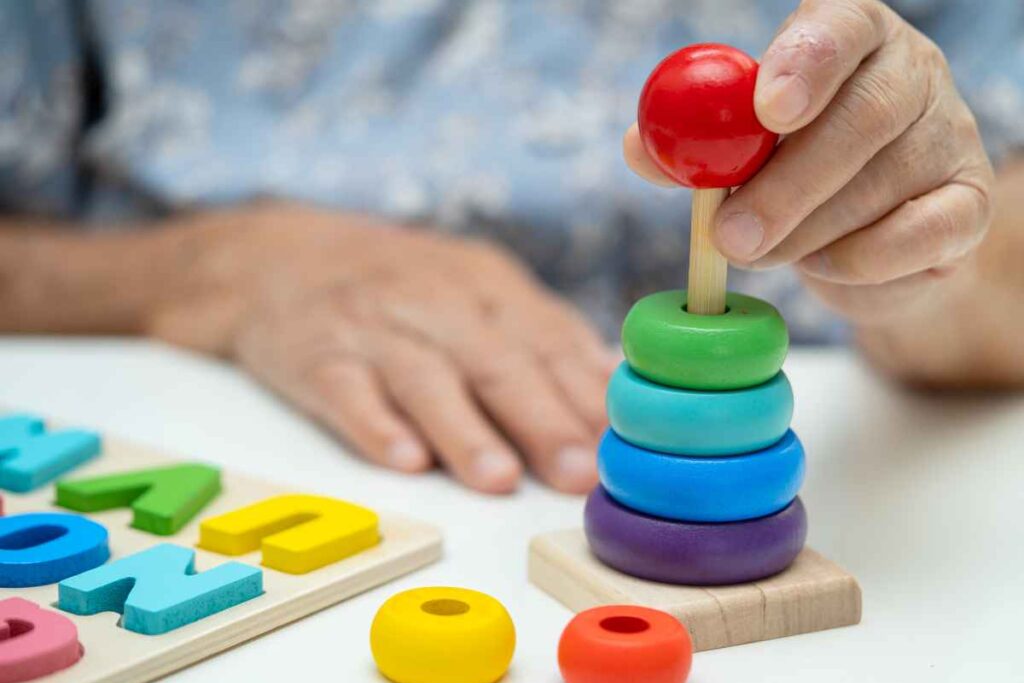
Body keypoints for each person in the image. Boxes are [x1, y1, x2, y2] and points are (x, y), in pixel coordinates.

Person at [1, 0, 1021, 496]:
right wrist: (214, 265)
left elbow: (999, 236)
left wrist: (934, 253)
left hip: (857, 451)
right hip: (242, 422)